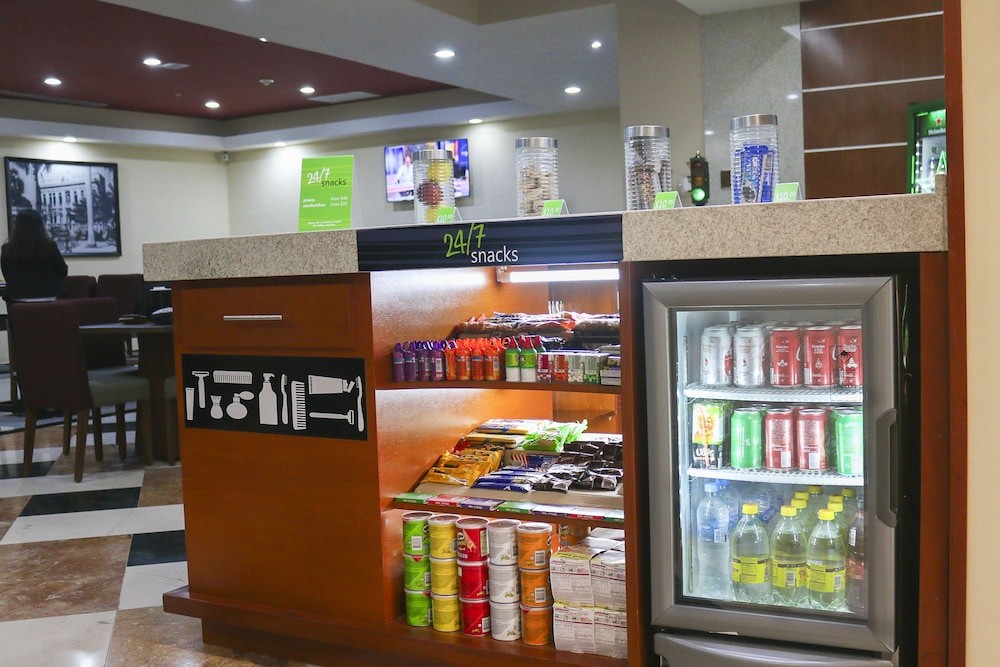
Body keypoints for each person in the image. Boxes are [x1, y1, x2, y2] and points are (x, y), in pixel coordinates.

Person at [1, 209, 68, 301]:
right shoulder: (49, 246)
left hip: (16, 296)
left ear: (17, 226)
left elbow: (6, 273)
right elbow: (62, 271)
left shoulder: (7, 248)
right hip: (48, 295)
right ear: (40, 226)